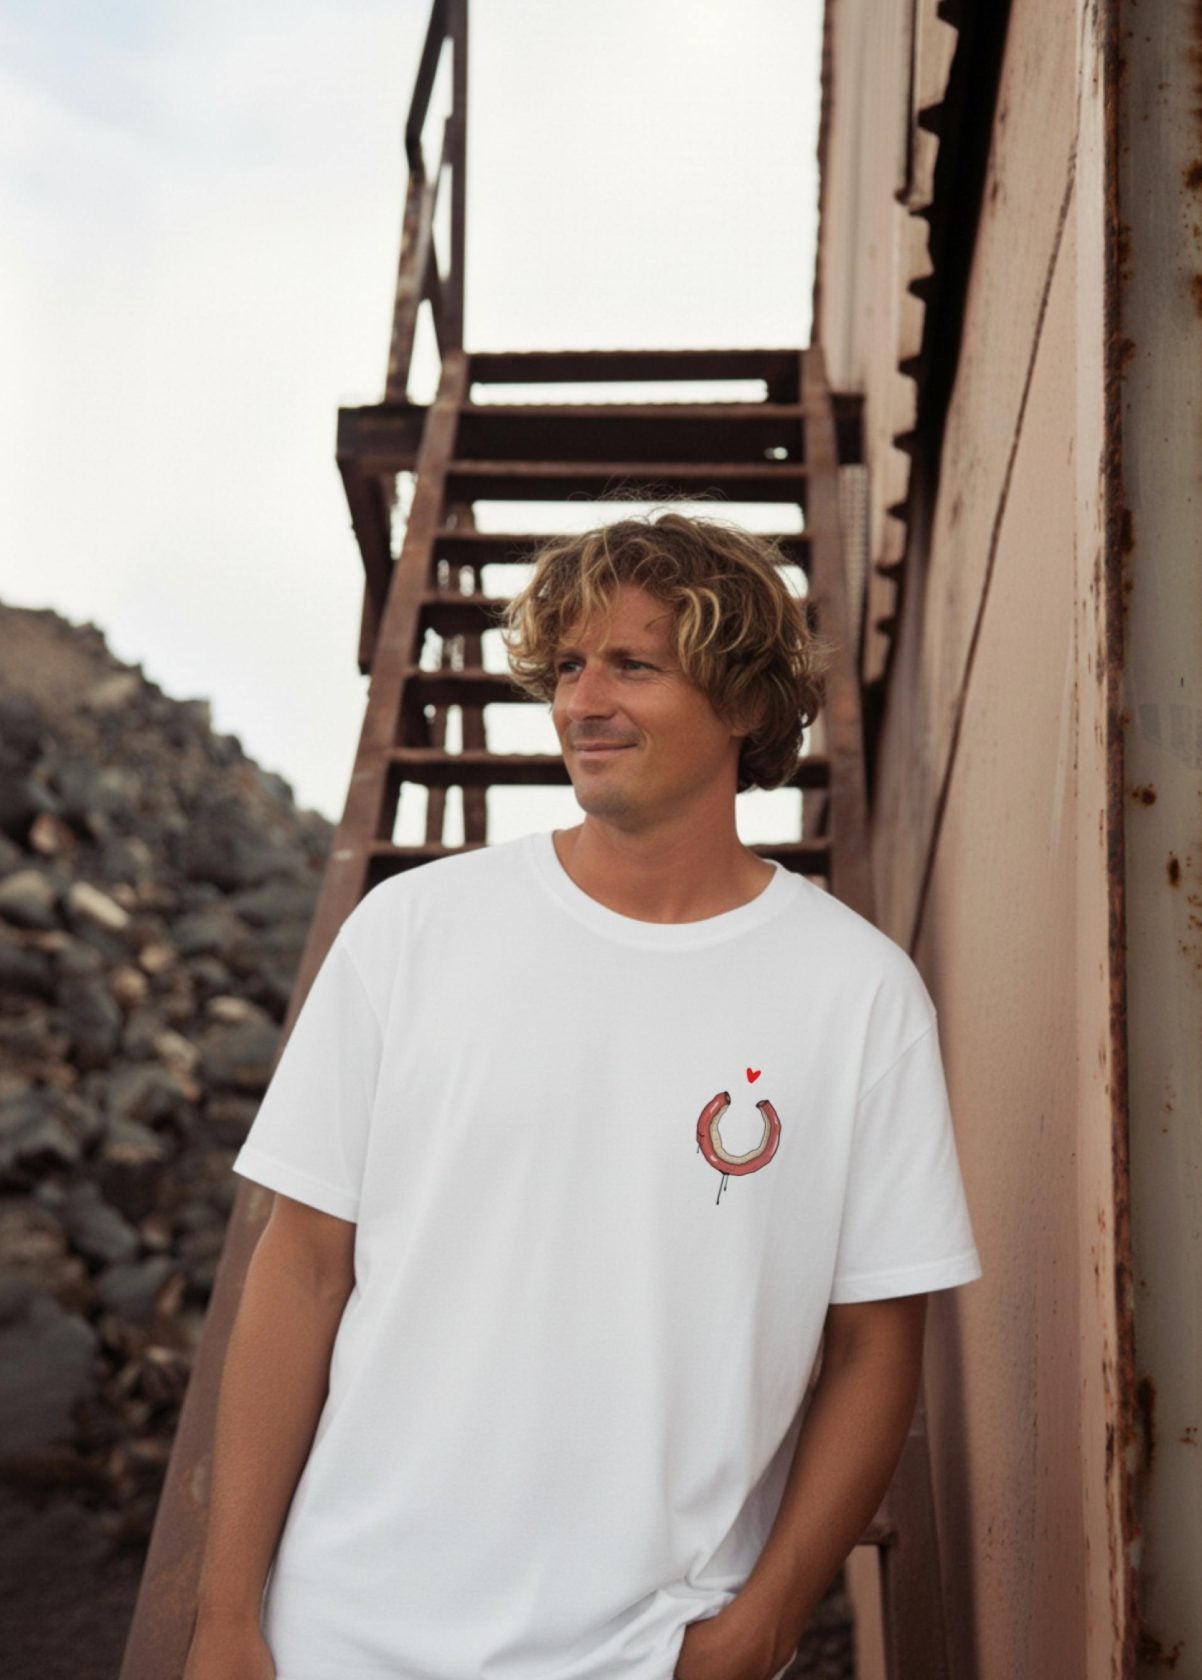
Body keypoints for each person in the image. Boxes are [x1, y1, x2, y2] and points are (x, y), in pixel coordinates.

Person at [183, 511, 982, 1680]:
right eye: (566, 665)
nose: (581, 701)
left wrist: (763, 1622)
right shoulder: (413, 932)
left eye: (633, 664)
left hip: (639, 1651)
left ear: (745, 704)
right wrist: (223, 1617)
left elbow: (873, 1347)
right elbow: (300, 1266)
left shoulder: (855, 995)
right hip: (339, 1635)